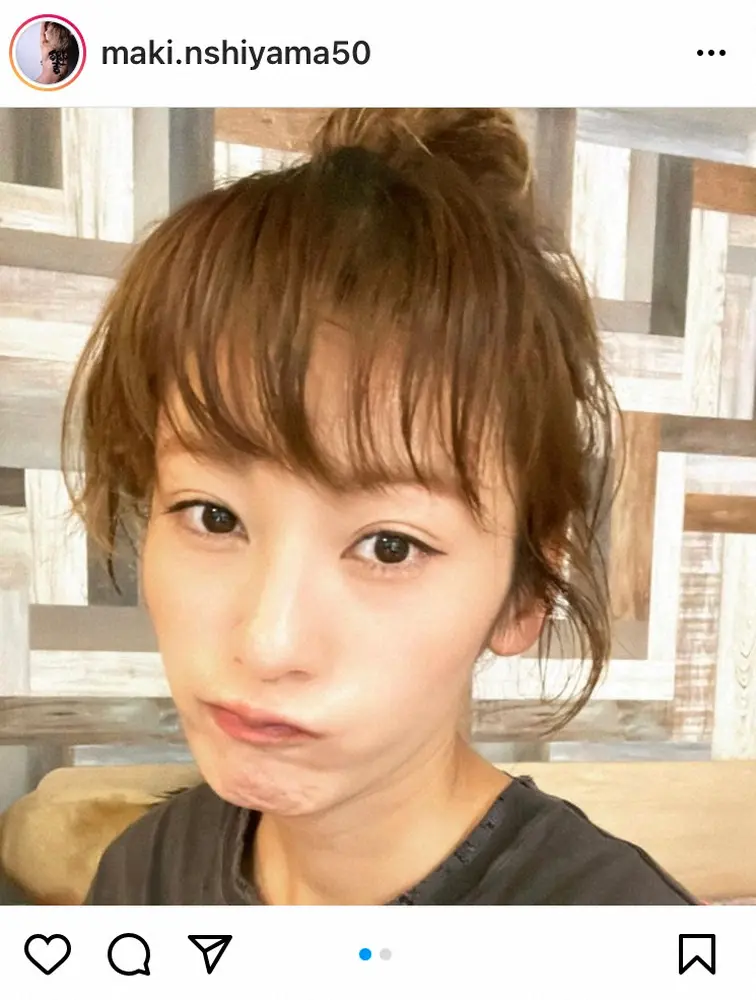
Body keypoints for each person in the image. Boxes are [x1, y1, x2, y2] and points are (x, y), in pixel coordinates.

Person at [62, 108, 698, 905]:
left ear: (525, 592)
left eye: (389, 546)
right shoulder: (143, 873)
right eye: (213, 516)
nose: (269, 644)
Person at [35, 20, 79, 85]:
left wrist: (44, 21)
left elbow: (42, 33)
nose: (45, 32)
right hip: (42, 84)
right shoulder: (64, 48)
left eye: (48, 30)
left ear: (54, 34)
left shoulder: (46, 47)